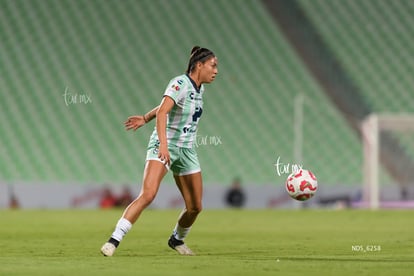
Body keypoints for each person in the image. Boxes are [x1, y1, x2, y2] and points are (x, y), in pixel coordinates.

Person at [101, 46, 218, 256]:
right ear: (199, 65)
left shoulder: (200, 89)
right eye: (213, 65)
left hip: (187, 150)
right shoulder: (179, 82)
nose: (216, 70)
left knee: (195, 207)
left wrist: (145, 117)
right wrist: (163, 144)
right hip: (164, 145)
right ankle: (114, 240)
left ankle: (176, 239)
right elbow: (164, 111)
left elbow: (167, 106)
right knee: (148, 194)